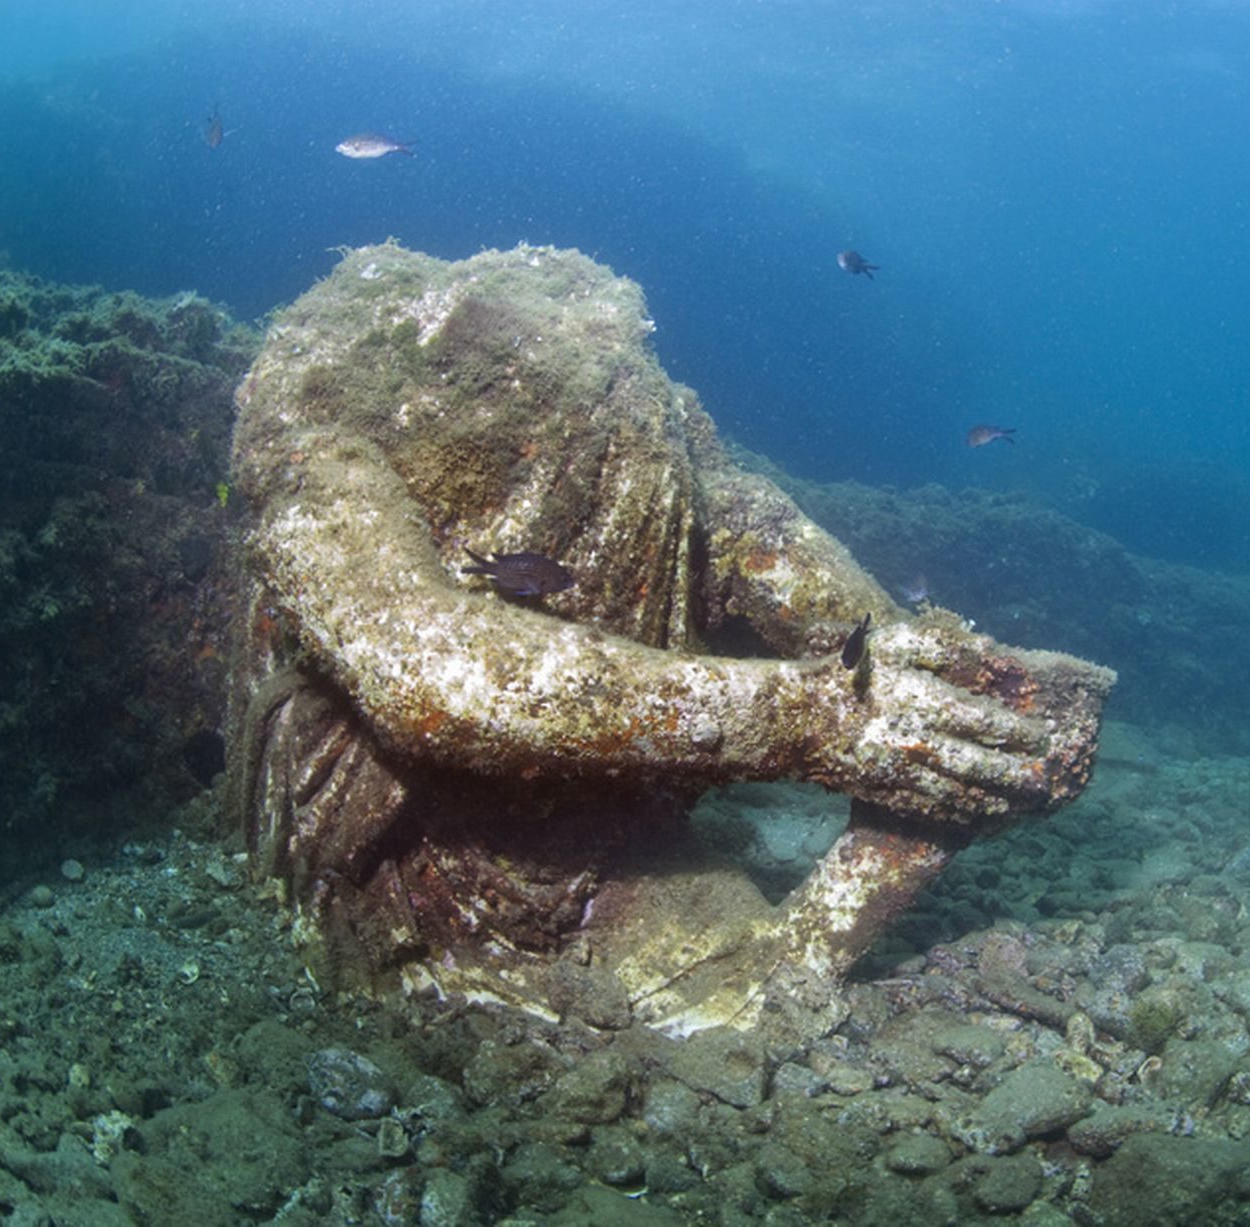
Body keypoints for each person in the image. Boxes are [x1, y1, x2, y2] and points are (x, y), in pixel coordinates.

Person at [227, 242, 1112, 1035]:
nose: (583, 354)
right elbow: (435, 679)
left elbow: (838, 621)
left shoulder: (647, 426)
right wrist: (828, 723)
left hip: (609, 835)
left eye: (616, 348)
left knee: (742, 1016)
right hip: (402, 845)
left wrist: (945, 718)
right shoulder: (315, 392)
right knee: (704, 1019)